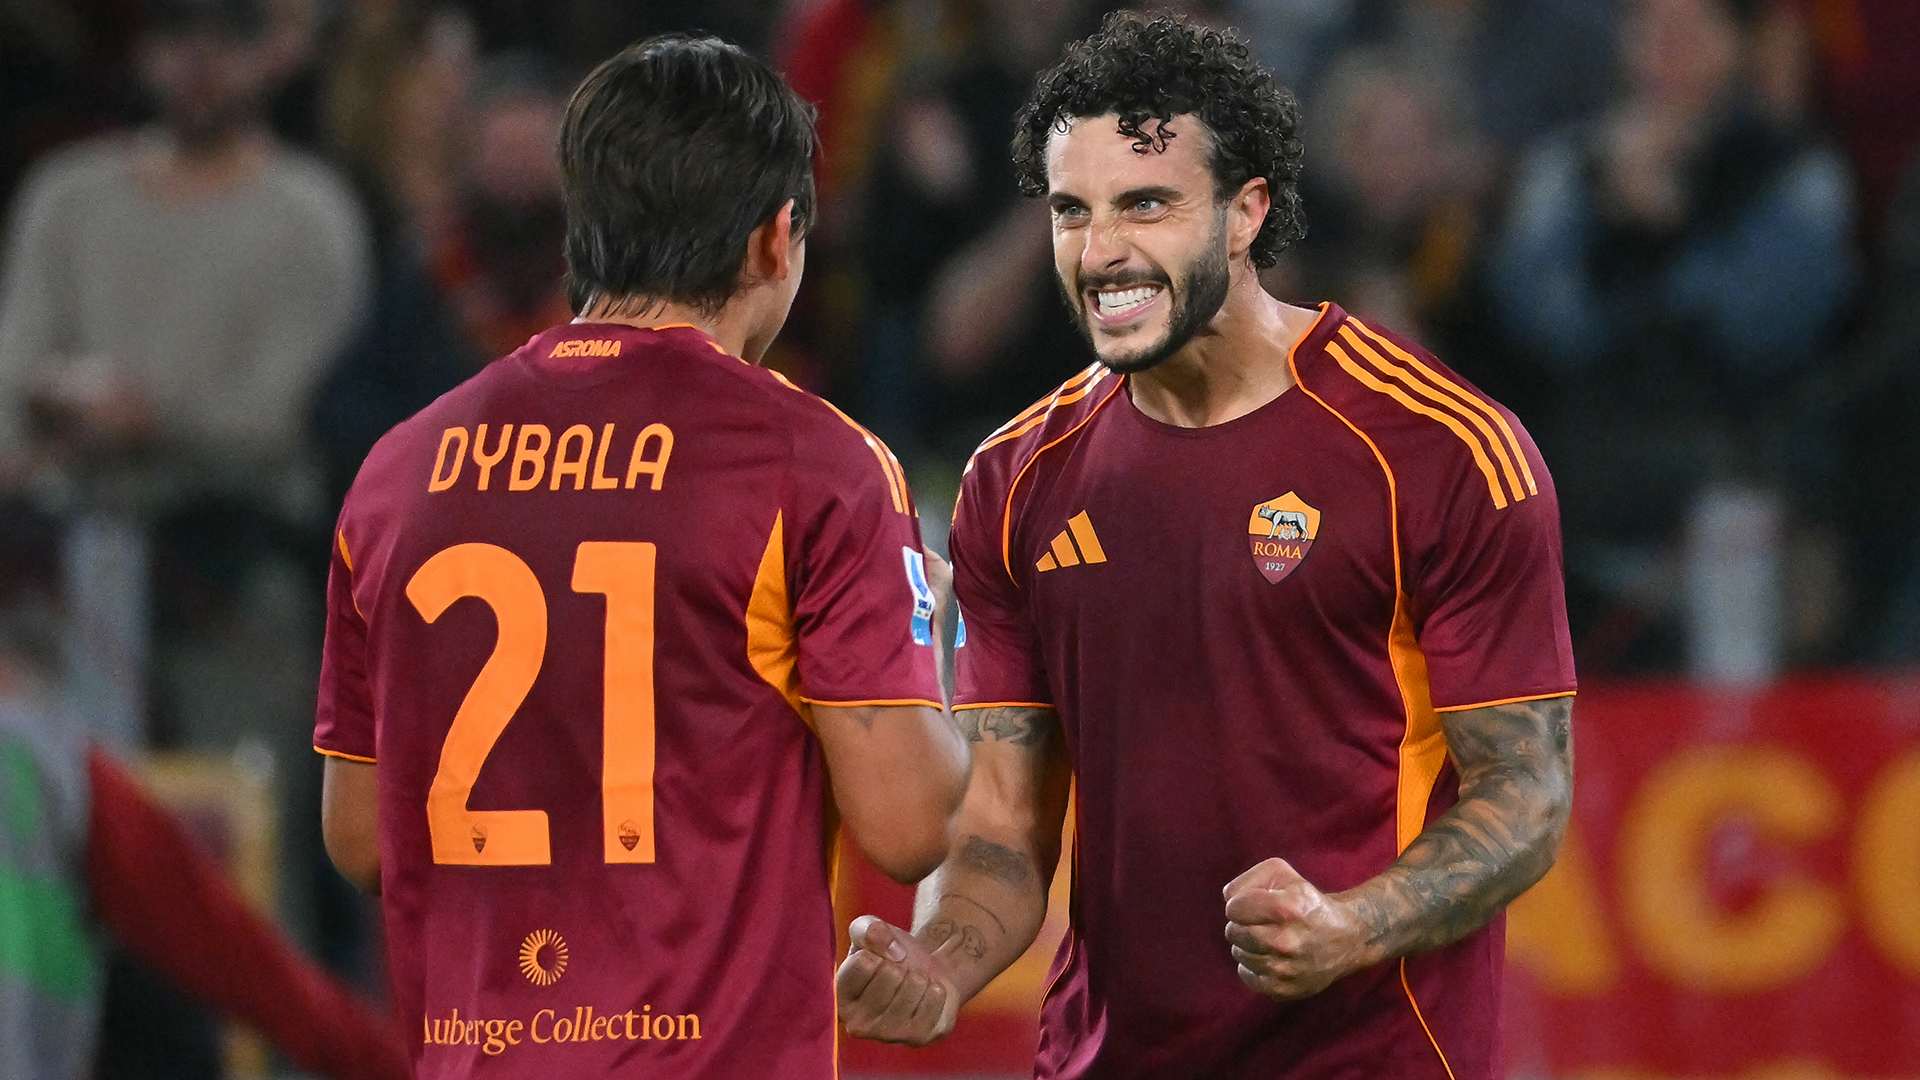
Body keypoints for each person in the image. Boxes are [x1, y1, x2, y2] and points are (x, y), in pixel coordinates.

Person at [836, 14, 1576, 1079]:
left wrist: (1352, 925)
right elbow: (999, 831)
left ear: (1245, 214)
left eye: (1146, 205)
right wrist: (940, 961)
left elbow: (1529, 795)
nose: (1102, 254)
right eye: (1072, 212)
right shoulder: (1015, 482)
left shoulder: (1442, 450)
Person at [314, 34, 969, 1078]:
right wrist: (928, 637)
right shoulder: (818, 465)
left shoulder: (400, 471)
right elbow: (908, 825)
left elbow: (361, 840)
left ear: (588, 230)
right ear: (776, 239)